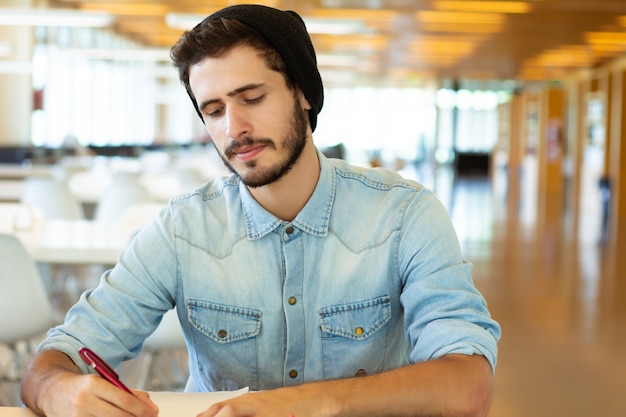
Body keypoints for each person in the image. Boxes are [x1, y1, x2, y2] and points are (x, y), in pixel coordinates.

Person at [21, 4, 501, 417]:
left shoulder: (405, 216)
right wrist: (57, 389)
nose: (236, 128)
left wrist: (306, 404)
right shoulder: (181, 229)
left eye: (253, 98)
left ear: (304, 94)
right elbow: (57, 356)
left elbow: (467, 386)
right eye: (213, 110)